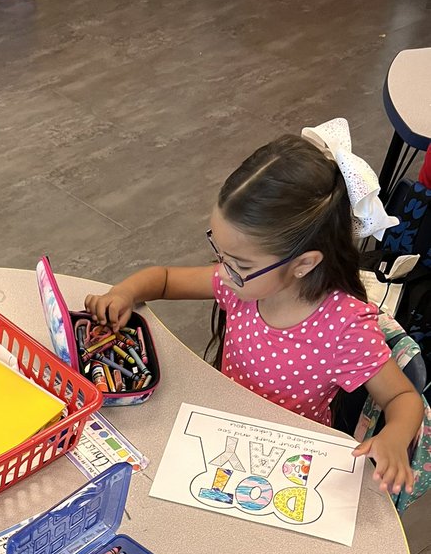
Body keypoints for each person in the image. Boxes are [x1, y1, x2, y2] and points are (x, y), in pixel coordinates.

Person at [85, 120, 424, 498]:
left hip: (287, 466)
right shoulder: (242, 284)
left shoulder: (345, 327)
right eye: (221, 253)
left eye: (241, 265)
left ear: (304, 264)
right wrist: (125, 292)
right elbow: (163, 279)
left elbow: (403, 398)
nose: (225, 272)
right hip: (220, 434)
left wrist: (394, 437)